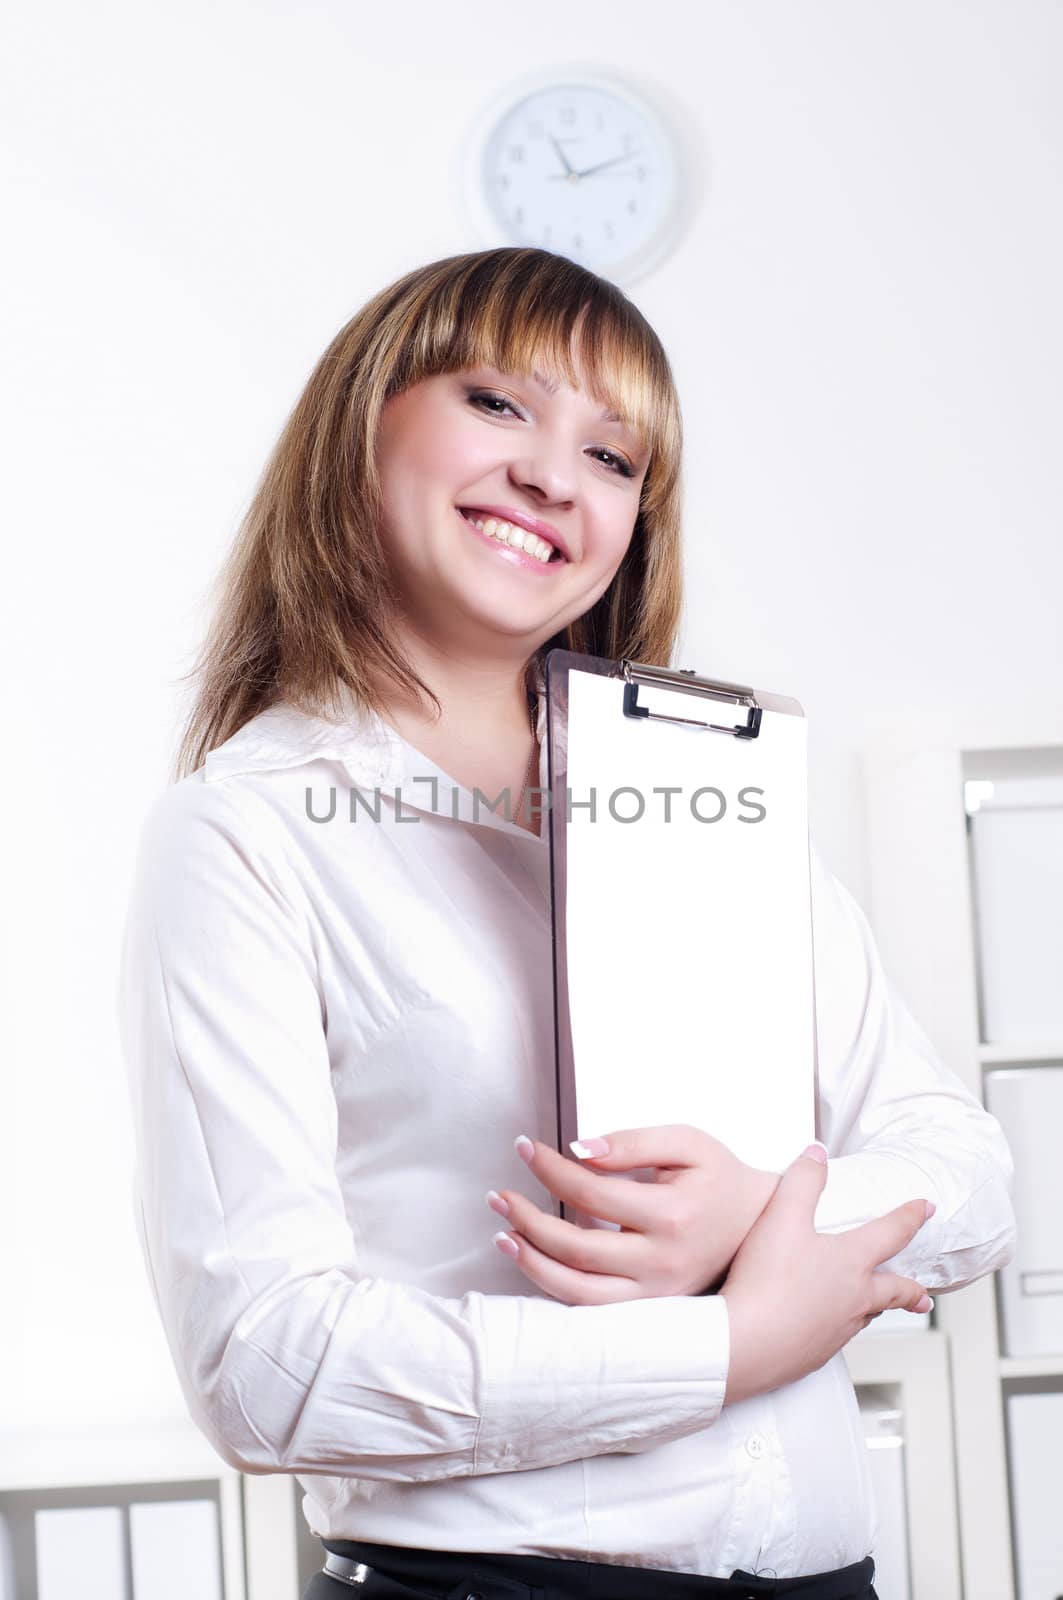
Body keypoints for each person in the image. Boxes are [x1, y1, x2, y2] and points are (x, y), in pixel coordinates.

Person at [118, 247, 1016, 1600]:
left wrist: (765, 1216)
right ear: (357, 430)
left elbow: (969, 1166)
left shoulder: (712, 796)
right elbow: (269, 1366)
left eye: (614, 457)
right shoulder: (247, 832)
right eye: (496, 404)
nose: (553, 475)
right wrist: (736, 1341)